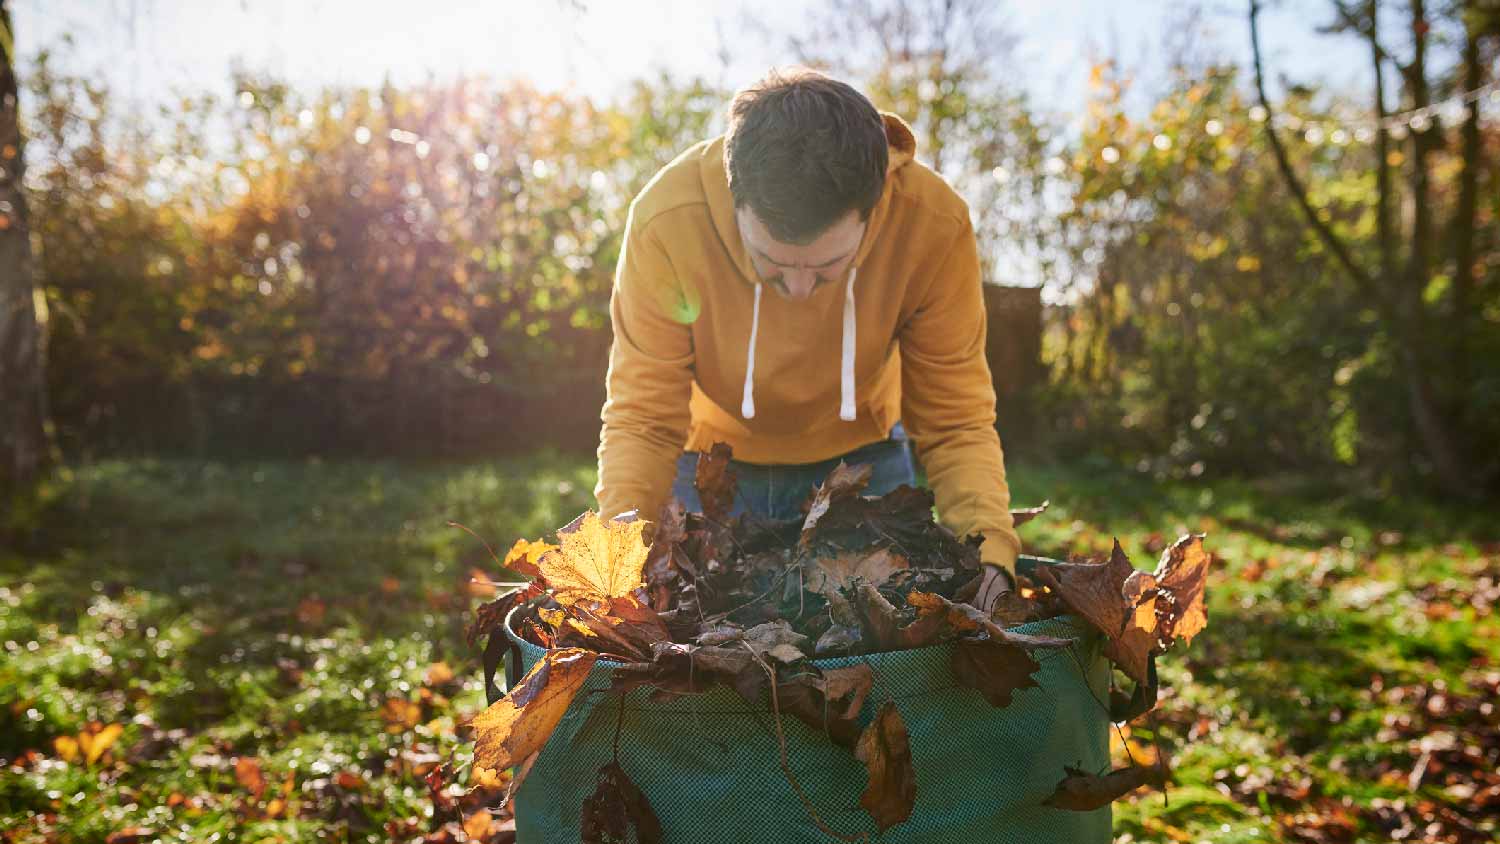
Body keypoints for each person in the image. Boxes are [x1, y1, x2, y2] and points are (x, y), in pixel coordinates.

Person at [594, 67, 1021, 611]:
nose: (798, 289)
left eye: (827, 267)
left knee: (875, 649)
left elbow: (955, 419)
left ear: (875, 207)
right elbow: (643, 418)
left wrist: (987, 557)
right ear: (734, 197)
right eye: (771, 263)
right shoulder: (665, 222)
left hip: (864, 465)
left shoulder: (934, 224)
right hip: (709, 468)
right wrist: (614, 564)